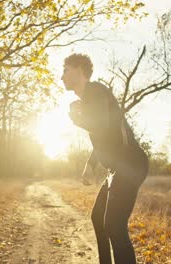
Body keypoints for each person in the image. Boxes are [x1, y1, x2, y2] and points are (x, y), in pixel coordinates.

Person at [61, 53, 149, 264]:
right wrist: (90, 164)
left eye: (65, 70)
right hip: (118, 168)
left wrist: (76, 120)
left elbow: (103, 126)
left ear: (80, 69)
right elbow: (104, 137)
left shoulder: (96, 90)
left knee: (114, 225)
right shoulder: (89, 99)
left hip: (130, 163)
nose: (61, 76)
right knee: (98, 219)